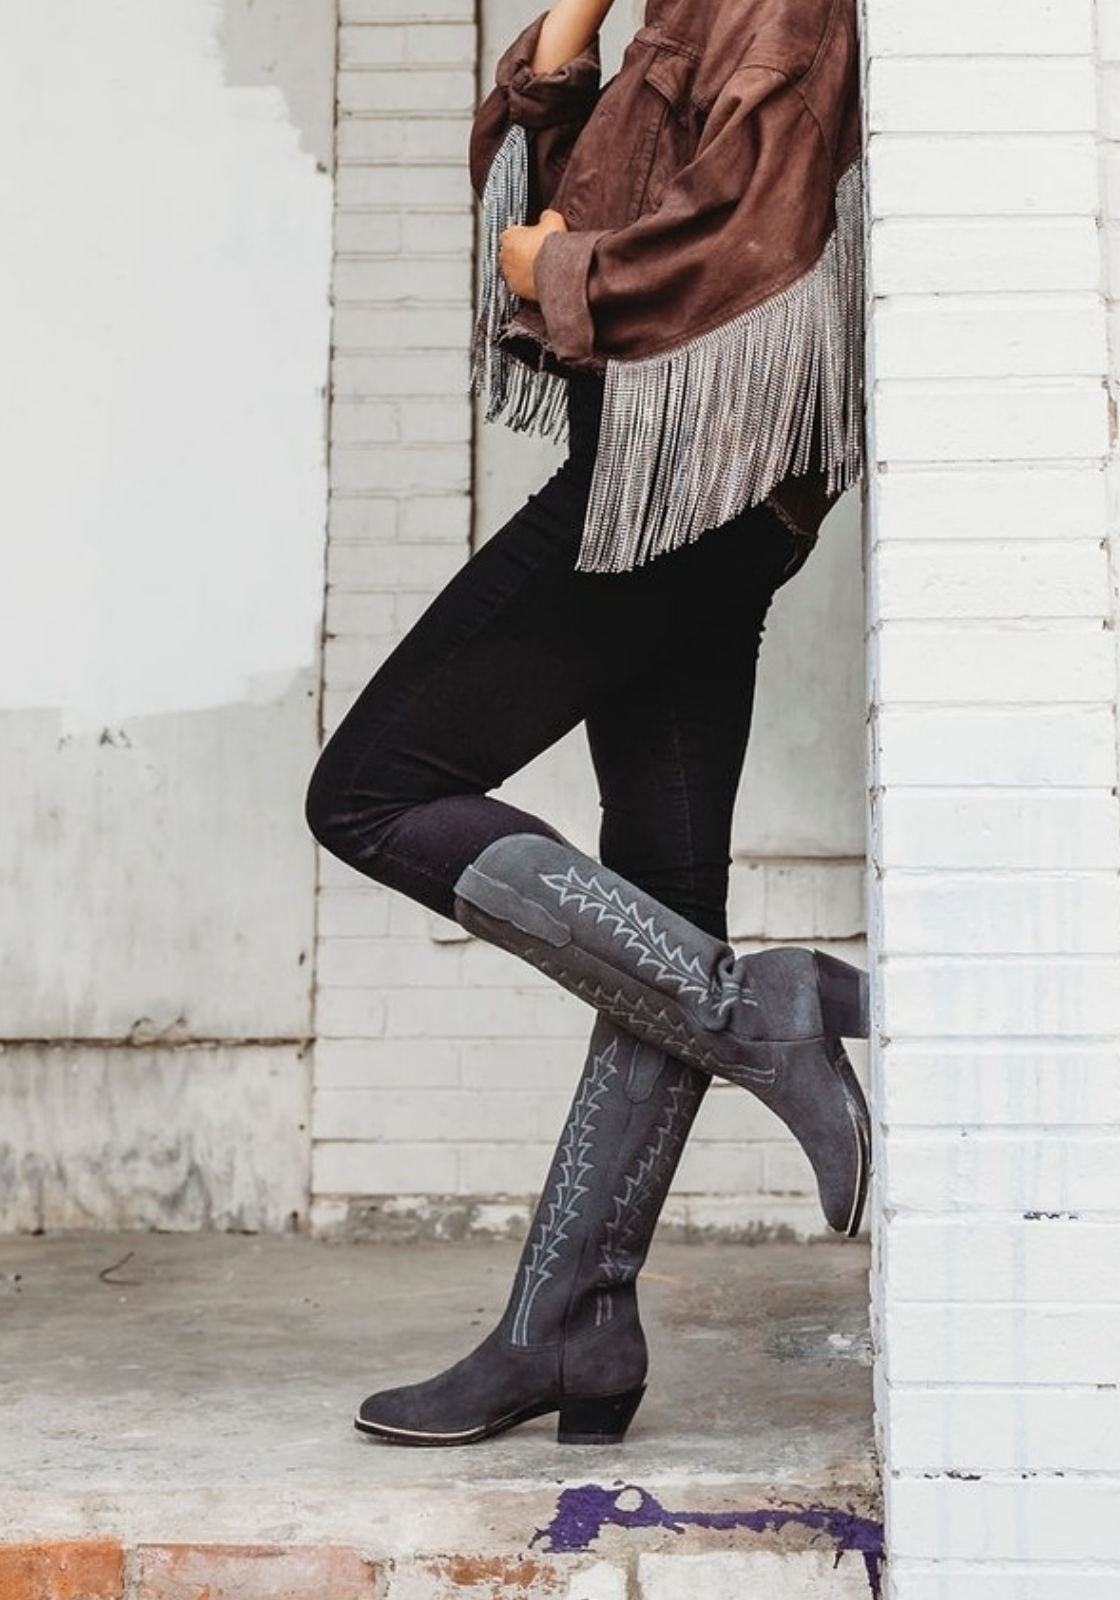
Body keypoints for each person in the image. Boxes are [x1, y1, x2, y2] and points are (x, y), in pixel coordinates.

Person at [306, 0, 867, 1447]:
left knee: (371, 790)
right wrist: (573, 26)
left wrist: (562, 268)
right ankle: (573, 1330)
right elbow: (529, 177)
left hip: (694, 478)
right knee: (662, 906)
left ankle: (760, 1009)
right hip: (676, 475)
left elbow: (749, 233)